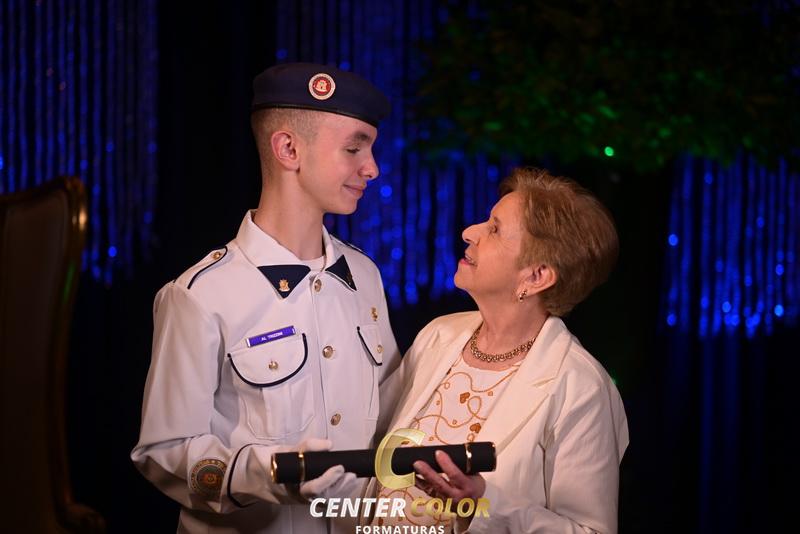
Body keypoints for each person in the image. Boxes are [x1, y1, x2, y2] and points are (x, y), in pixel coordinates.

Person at [131, 63, 401, 533]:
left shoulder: (364, 276)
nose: (372, 167)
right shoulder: (199, 295)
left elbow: (393, 414)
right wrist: (267, 474)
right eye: (354, 148)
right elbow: (164, 451)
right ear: (288, 149)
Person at [372, 167, 628, 533]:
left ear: (536, 276)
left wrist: (484, 505)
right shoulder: (438, 336)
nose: (469, 232)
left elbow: (591, 530)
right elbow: (374, 455)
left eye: (494, 229)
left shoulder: (581, 387)